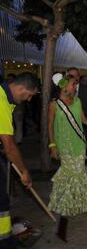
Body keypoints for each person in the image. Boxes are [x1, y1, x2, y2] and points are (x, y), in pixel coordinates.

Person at [48, 74, 87, 216]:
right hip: (64, 145)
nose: (75, 86)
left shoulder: (77, 101)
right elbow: (50, 126)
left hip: (79, 143)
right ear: (64, 86)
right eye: (73, 84)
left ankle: (81, 203)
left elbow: (83, 119)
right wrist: (52, 145)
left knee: (79, 172)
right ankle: (67, 204)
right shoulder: (54, 104)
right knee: (70, 173)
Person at [0, 72, 35, 248]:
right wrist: (24, 171)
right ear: (21, 88)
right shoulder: (1, 100)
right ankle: (5, 242)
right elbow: (9, 146)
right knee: (1, 202)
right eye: (29, 95)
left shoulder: (4, 97)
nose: (29, 100)